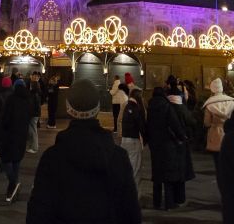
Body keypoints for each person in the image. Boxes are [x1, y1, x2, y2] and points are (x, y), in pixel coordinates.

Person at [27, 78, 141, 224]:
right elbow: (131, 212)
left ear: (69, 109)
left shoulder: (52, 157)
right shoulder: (119, 157)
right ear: (97, 109)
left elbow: (38, 212)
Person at [147, 85, 190, 211]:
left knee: (157, 174)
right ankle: (169, 203)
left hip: (154, 145)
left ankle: (156, 202)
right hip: (167, 145)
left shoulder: (150, 107)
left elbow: (147, 125)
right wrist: (182, 137)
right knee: (168, 175)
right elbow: (174, 124)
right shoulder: (167, 106)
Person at [0, 77, 32, 203]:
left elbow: (5, 118)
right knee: (16, 161)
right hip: (22, 134)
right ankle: (12, 189)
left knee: (5, 159)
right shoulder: (27, 100)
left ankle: (13, 183)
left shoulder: (11, 99)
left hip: (10, 134)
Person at [203, 78, 234, 170]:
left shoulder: (209, 104)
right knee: (230, 160)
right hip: (230, 133)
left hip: (216, 134)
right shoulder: (231, 102)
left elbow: (206, 123)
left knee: (218, 161)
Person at [120, 86, 147, 191]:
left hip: (125, 139)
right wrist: (145, 139)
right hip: (134, 140)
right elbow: (141, 125)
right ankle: (133, 193)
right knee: (135, 168)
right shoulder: (135, 108)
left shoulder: (127, 106)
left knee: (127, 165)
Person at [27, 73, 43, 153]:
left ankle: (34, 147)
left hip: (33, 114)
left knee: (33, 130)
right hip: (35, 114)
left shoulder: (34, 94)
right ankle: (32, 146)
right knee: (32, 130)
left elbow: (33, 106)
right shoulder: (36, 93)